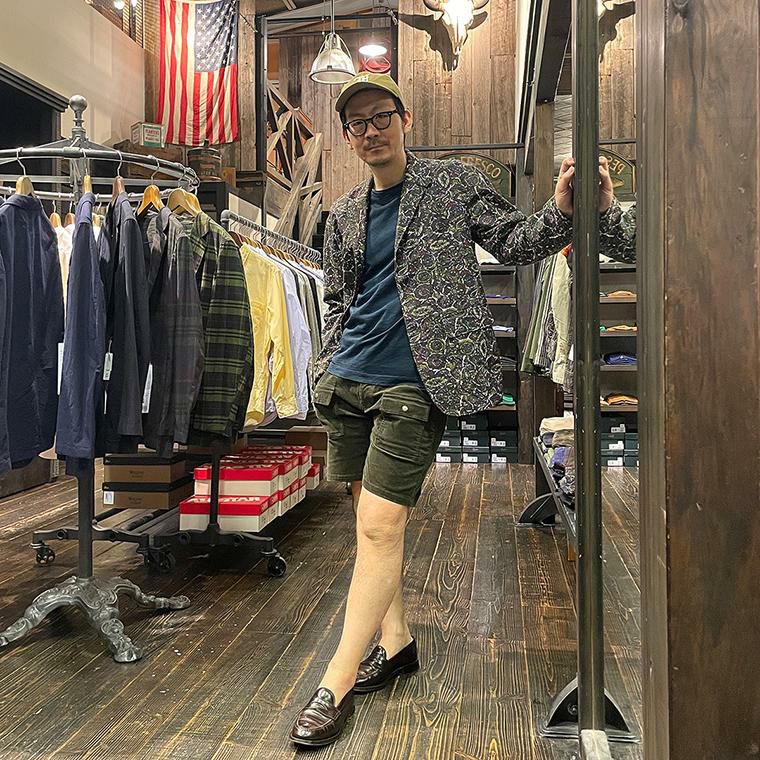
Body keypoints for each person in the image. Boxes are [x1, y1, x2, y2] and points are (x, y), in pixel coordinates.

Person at [289, 73, 623, 748]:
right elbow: (338, 297)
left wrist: (561, 211)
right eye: (357, 123)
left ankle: (335, 682)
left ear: (405, 118)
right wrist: (326, 362)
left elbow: (514, 240)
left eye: (381, 115)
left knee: (379, 527)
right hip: (349, 383)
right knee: (369, 524)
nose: (371, 130)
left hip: (415, 384)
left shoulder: (448, 184)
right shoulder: (345, 213)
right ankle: (397, 642)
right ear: (348, 138)